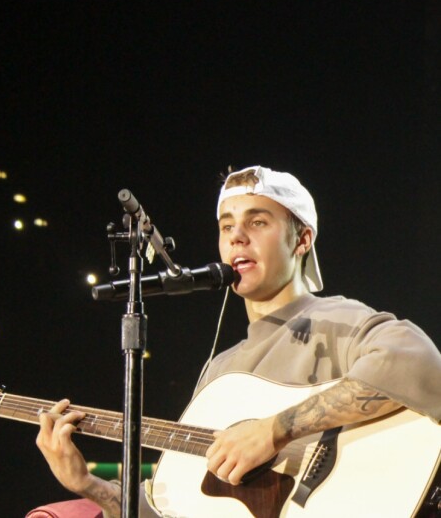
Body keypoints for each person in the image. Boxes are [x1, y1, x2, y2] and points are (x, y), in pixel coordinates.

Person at [35, 165, 441, 517]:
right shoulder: (220, 372)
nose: (237, 237)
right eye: (227, 225)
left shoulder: (336, 318)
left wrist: (275, 430)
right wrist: (88, 485)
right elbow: (175, 507)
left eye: (258, 222)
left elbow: (422, 365)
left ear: (302, 241)